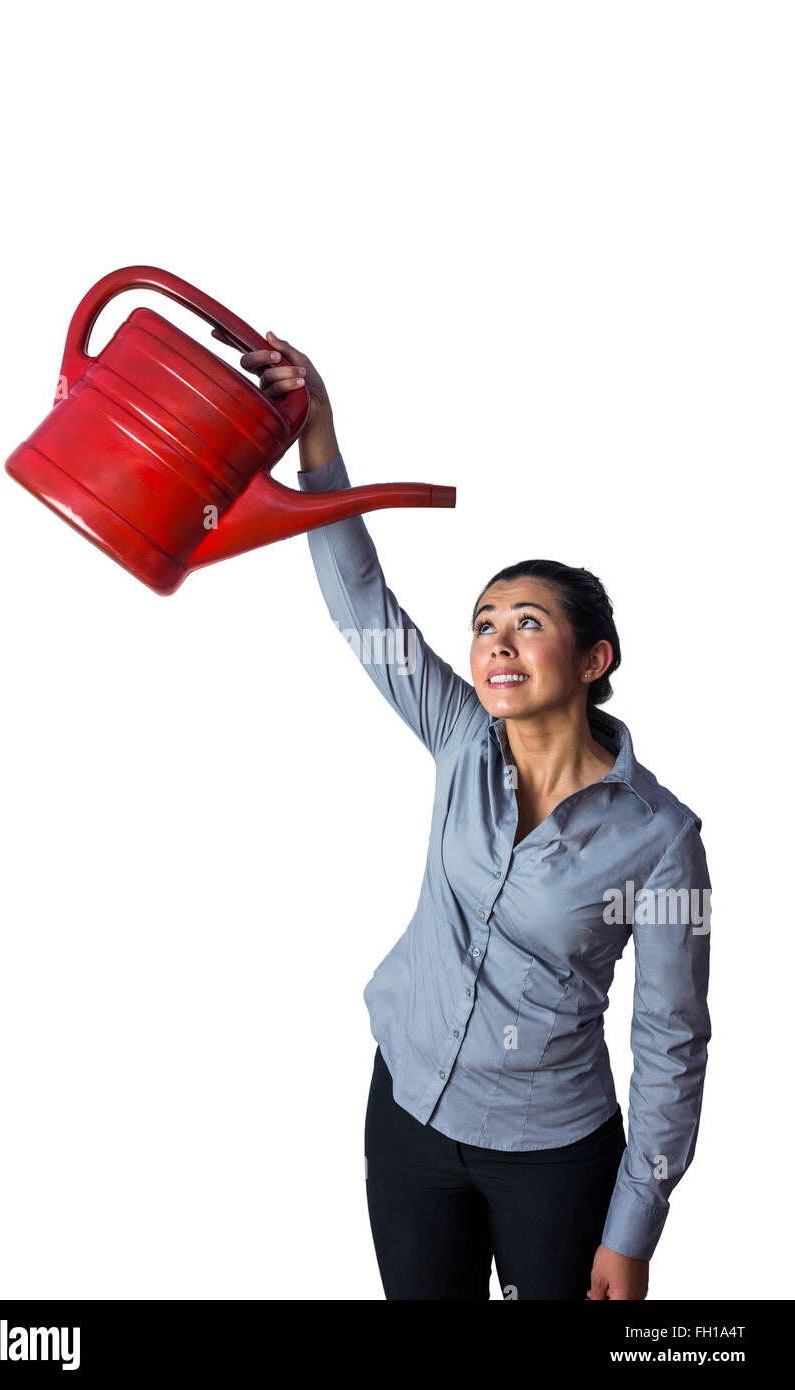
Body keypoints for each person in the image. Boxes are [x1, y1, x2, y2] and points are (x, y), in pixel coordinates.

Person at [239, 332, 712, 1302]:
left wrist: (632, 1228)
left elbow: (670, 1042)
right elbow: (360, 603)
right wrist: (318, 439)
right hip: (406, 1116)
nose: (495, 641)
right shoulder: (459, 739)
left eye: (527, 622)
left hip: (552, 1156)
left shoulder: (662, 842)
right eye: (484, 622)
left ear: (593, 660)